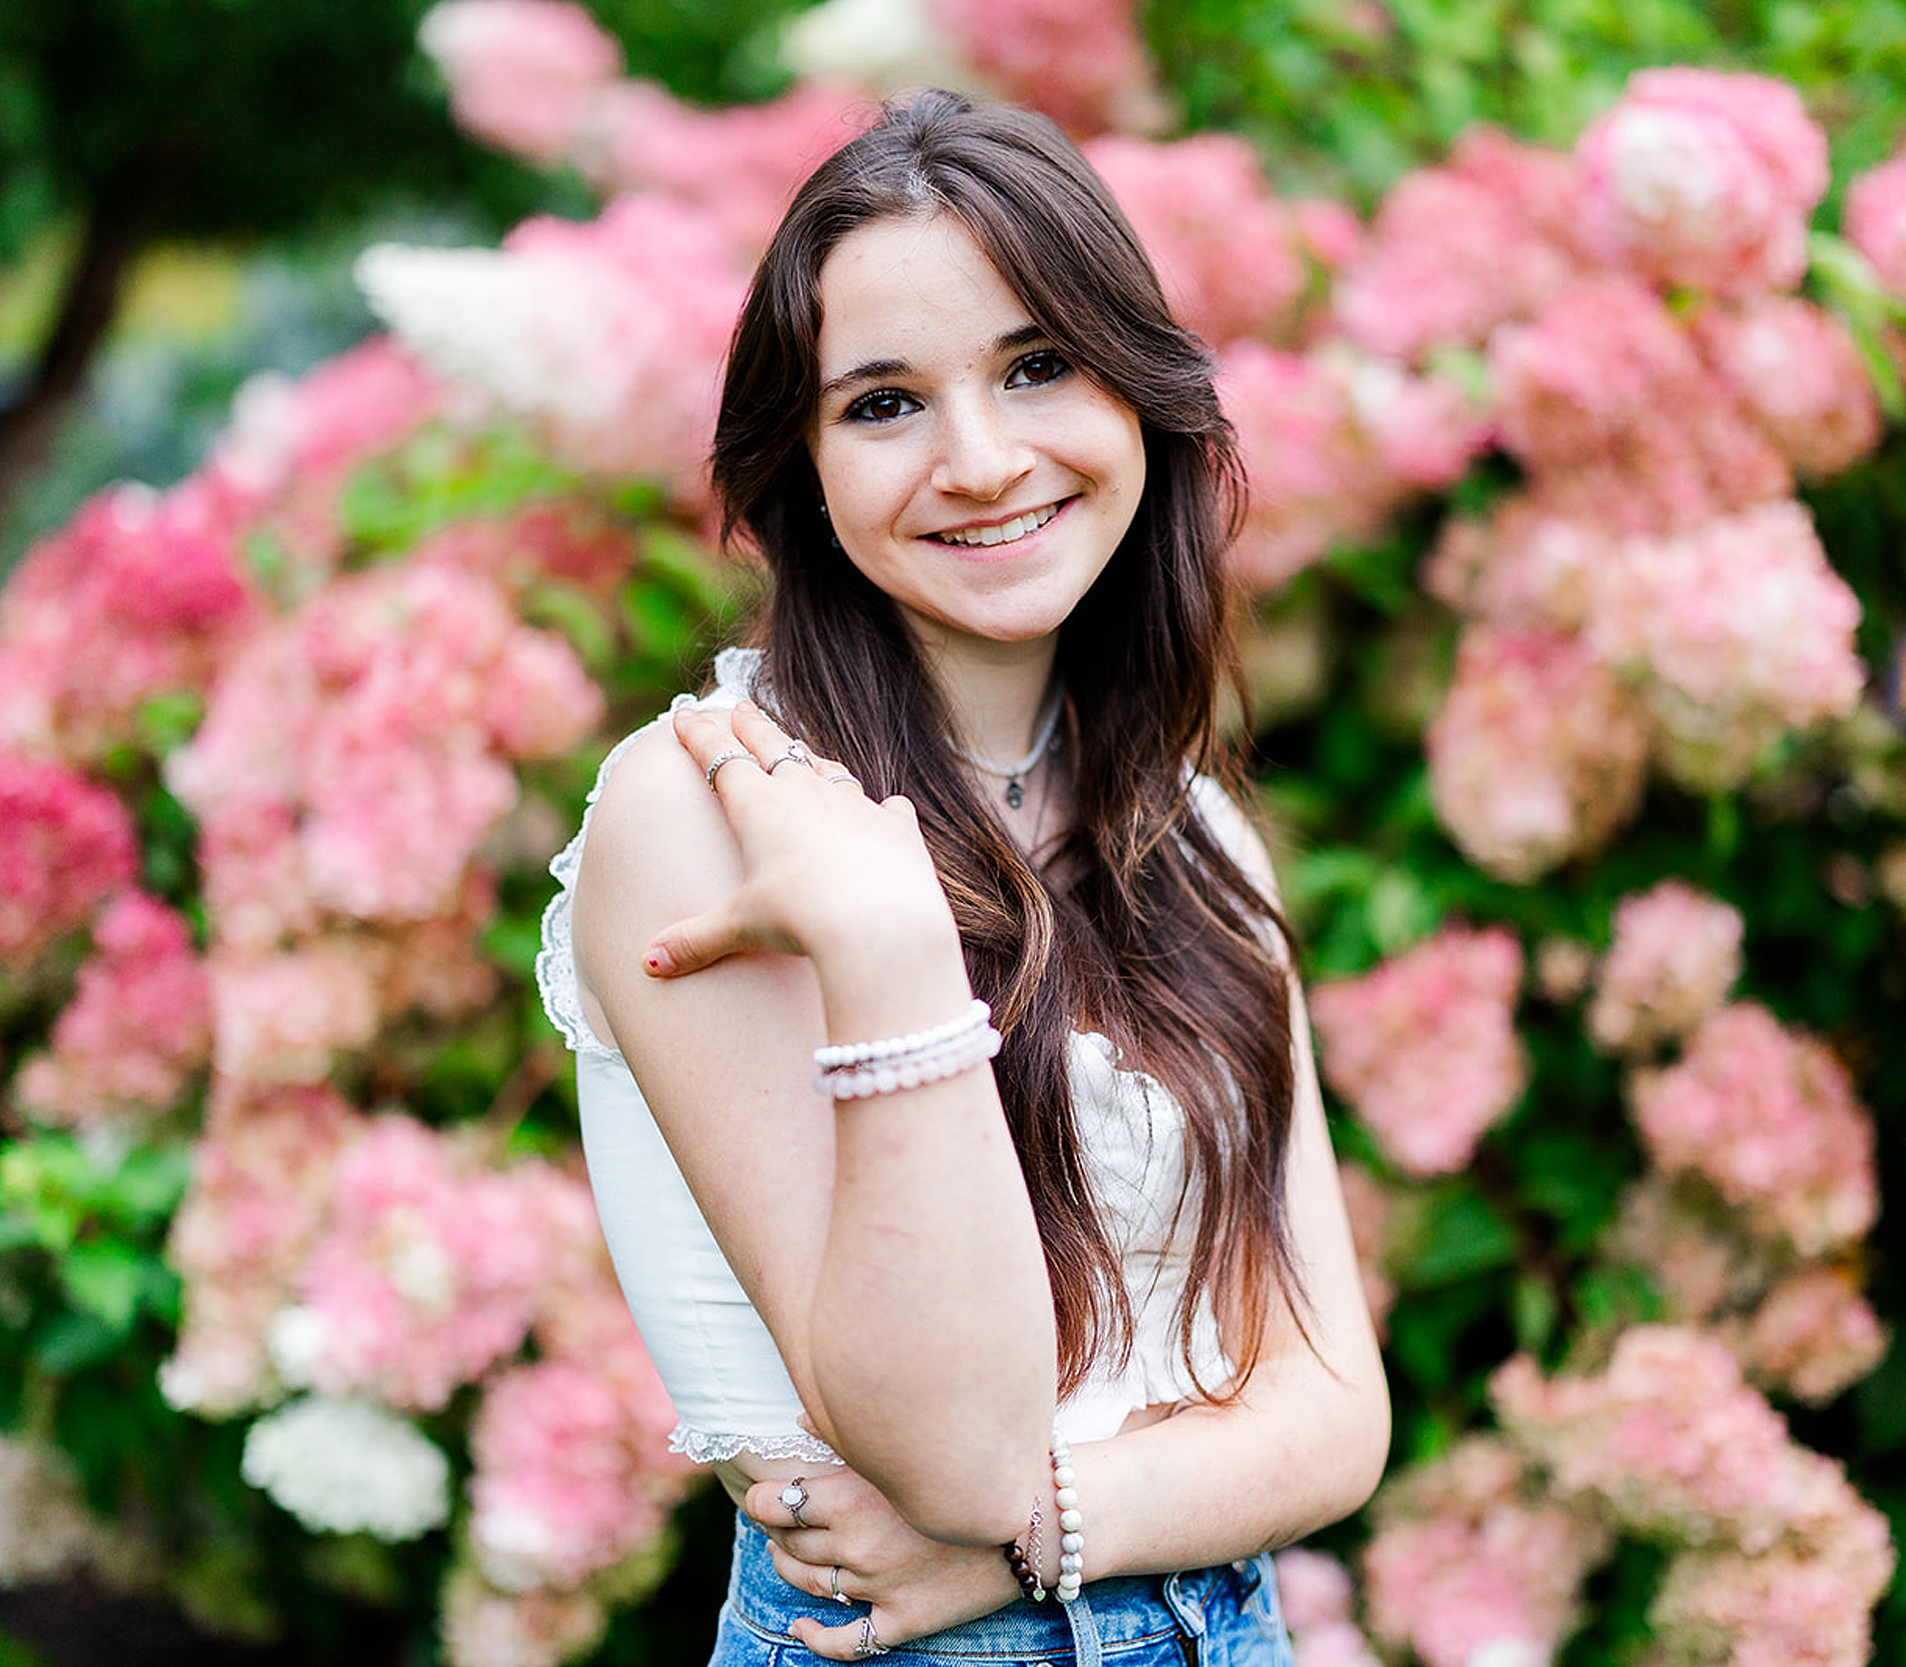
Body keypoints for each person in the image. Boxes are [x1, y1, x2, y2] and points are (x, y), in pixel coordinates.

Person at [535, 88, 1387, 1667]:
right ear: (799, 464)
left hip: (1226, 1631)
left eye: (1037, 365)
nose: (983, 460)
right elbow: (949, 1448)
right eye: (883, 404)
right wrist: (887, 946)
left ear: (1140, 393)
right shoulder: (709, 811)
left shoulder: (1185, 830)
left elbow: (1335, 1419)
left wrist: (1028, 1547)